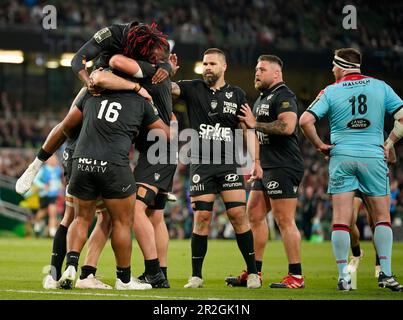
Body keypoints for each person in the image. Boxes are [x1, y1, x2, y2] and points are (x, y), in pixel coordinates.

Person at [299, 47, 403, 291]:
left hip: (342, 155)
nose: (332, 70)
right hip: (373, 156)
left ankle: (344, 278)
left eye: (333, 66)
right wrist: (388, 144)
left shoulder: (331, 90)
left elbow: (305, 120)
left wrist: (320, 146)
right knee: (381, 219)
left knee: (340, 221)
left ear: (340, 65)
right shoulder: (381, 86)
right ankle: (386, 275)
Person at [58, 82, 170, 290]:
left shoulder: (93, 93)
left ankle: (72, 266)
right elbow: (165, 134)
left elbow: (66, 126)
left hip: (82, 161)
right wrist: (156, 112)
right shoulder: (140, 100)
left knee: (81, 218)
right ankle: (124, 279)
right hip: (113, 165)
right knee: (122, 222)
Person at [171, 48, 263, 289]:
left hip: (228, 164)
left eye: (212, 63)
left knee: (237, 216)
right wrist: (167, 72)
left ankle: (253, 273)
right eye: (205, 63)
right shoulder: (192, 88)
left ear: (224, 67)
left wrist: (257, 163)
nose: (207, 67)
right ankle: (196, 276)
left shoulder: (237, 94)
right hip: (202, 163)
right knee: (201, 218)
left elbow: (248, 130)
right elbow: (170, 89)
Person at [226, 55, 305, 289]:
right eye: (256, 69)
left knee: (284, 220)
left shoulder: (284, 95)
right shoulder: (262, 98)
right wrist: (256, 161)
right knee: (255, 215)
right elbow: (257, 134)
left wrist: (254, 124)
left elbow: (288, 126)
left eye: (262, 69)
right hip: (267, 166)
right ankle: (254, 272)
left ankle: (296, 276)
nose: (256, 73)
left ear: (276, 74)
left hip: (284, 165)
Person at [32, 155, 62, 238]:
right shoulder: (43, 170)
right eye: (52, 159)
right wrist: (43, 186)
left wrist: (59, 186)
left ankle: (52, 232)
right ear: (47, 161)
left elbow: (57, 180)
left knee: (53, 212)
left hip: (53, 195)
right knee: (43, 212)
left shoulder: (58, 170)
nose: (54, 160)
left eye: (55, 159)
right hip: (44, 194)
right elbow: (35, 180)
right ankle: (37, 223)